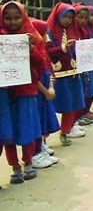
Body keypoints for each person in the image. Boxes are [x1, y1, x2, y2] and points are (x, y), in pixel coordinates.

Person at [1, 1, 44, 183]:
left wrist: (31, 48)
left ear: (24, 17)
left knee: (27, 127)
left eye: (17, 17)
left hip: (26, 91)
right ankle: (15, 167)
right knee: (7, 131)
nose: (12, 22)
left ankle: (28, 162)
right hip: (4, 94)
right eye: (7, 18)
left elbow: (41, 63)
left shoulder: (32, 36)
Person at [45, 2, 86, 146]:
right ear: (58, 16)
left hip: (73, 73)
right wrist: (62, 48)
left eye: (70, 17)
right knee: (49, 106)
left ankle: (65, 131)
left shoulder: (73, 31)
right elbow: (46, 52)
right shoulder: (49, 32)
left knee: (72, 104)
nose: (68, 20)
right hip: (56, 75)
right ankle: (43, 140)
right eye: (65, 17)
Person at [29, 18, 59, 167]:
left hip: (45, 93)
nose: (46, 37)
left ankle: (41, 147)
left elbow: (48, 70)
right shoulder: (32, 54)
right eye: (42, 33)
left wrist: (51, 87)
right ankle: (35, 154)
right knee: (37, 122)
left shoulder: (42, 52)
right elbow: (34, 77)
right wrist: (46, 91)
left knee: (44, 120)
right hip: (38, 93)